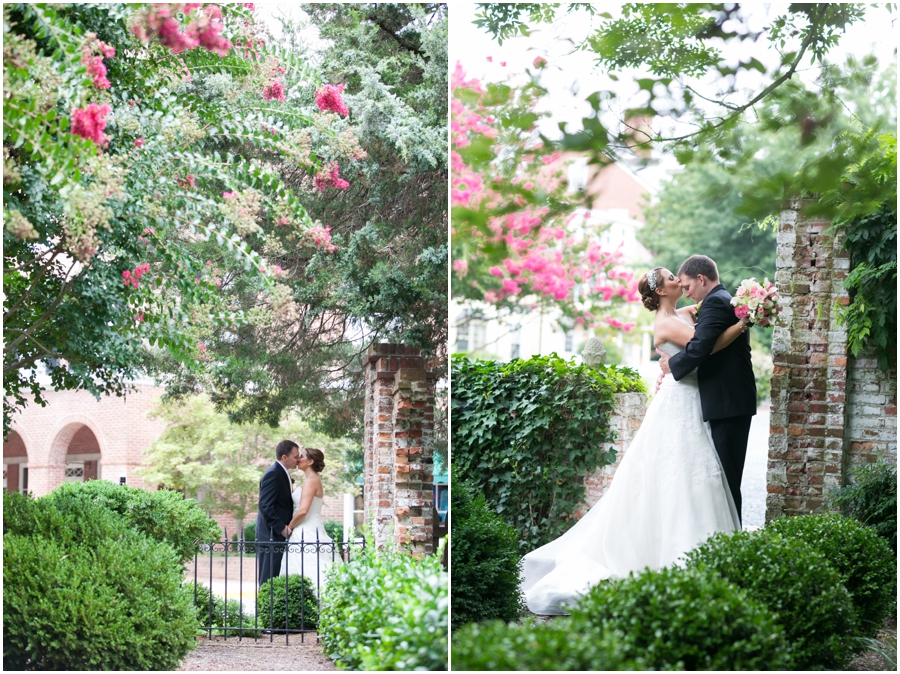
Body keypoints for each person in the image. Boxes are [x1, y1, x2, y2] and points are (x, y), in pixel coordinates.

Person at [520, 266, 751, 615]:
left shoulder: (679, 313)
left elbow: (702, 312)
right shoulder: (666, 323)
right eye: (672, 278)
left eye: (680, 277)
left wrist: (747, 304)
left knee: (693, 477)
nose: (678, 281)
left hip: (690, 399)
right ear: (660, 291)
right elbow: (707, 346)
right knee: (678, 475)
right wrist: (742, 324)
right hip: (680, 400)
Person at [657, 254, 757, 523]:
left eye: (688, 286)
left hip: (728, 401)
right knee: (724, 477)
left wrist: (672, 365)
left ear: (701, 279)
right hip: (730, 398)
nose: (687, 293)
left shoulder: (714, 303)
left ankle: (732, 538)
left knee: (726, 477)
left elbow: (701, 348)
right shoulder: (720, 300)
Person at [279, 447, 339, 590]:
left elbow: (303, 511)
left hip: (307, 530)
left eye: (302, 456)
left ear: (310, 461)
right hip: (308, 528)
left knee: (310, 570)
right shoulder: (312, 479)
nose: (298, 459)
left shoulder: (311, 480)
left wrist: (289, 527)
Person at [256, 440, 300, 588]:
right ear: (284, 457)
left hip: (277, 537)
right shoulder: (273, 474)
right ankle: (263, 611)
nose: (298, 459)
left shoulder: (282, 473)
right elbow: (265, 506)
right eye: (295, 457)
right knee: (268, 579)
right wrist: (281, 528)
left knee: (276, 578)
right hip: (271, 536)